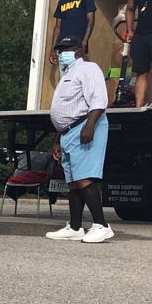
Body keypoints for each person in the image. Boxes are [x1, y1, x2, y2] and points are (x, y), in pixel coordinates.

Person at [45, 36, 113, 243]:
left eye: (66, 48)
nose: (61, 52)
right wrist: (57, 139)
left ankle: (101, 225)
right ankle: (75, 227)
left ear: (79, 50)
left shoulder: (88, 69)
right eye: (59, 49)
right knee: (73, 181)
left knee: (85, 177)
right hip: (68, 131)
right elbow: (66, 110)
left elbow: (99, 99)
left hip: (84, 126)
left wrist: (89, 126)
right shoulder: (67, 73)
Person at [48, 0, 96, 64]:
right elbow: (57, 27)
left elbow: (91, 20)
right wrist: (53, 49)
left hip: (78, 46)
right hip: (63, 47)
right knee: (65, 76)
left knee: (78, 75)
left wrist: (85, 40)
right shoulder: (62, 2)